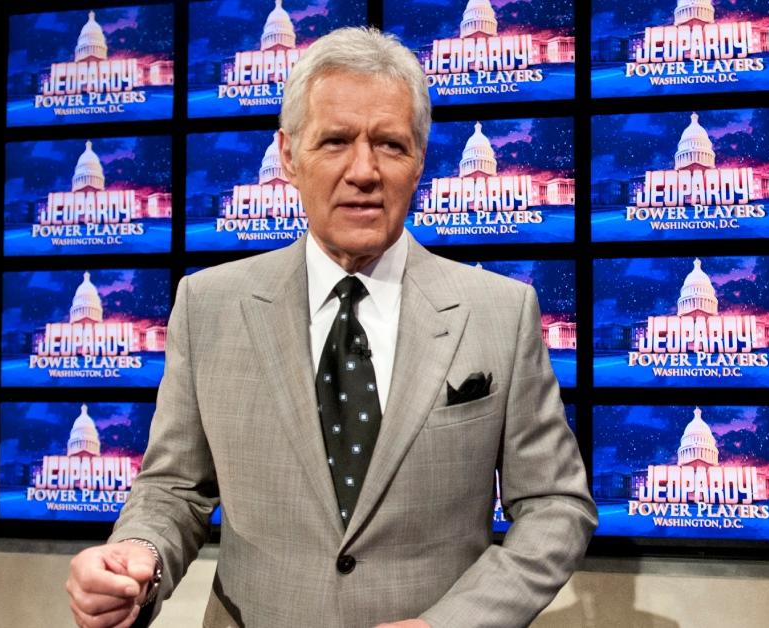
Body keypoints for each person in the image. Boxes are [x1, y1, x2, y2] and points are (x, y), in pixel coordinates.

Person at [65, 26, 596, 628]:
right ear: (289, 155)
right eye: (336, 140)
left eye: (390, 145)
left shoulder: (502, 310)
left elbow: (556, 505)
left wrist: (455, 624)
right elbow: (173, 489)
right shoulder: (208, 303)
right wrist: (139, 559)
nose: (363, 171)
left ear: (420, 159)